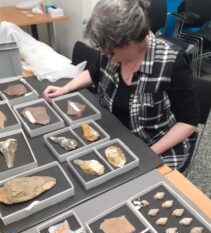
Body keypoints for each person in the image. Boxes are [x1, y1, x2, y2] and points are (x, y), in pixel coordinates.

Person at [43, 0, 199, 171]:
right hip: (115, 134)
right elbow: (93, 73)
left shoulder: (172, 62)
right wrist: (64, 89)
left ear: (128, 44)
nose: (102, 52)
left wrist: (148, 153)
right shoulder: (111, 49)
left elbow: (188, 122)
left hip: (156, 145)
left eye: (106, 49)